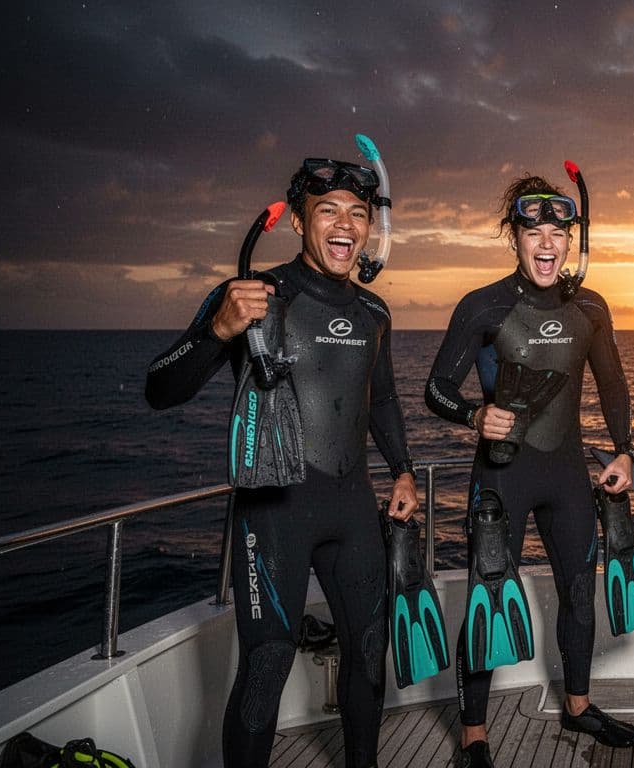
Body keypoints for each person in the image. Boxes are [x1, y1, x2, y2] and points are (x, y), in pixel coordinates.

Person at [145, 157, 419, 767]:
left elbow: (383, 400)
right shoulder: (252, 295)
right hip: (274, 515)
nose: (345, 225)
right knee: (267, 664)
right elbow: (159, 389)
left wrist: (403, 469)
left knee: (369, 653)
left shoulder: (375, 313)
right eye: (328, 211)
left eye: (358, 213)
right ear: (298, 220)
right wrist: (218, 330)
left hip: (354, 510)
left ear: (370, 227)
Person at [424, 174, 634, 767]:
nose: (547, 243)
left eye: (557, 232)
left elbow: (613, 384)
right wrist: (474, 415)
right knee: (489, 597)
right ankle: (473, 735)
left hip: (567, 476)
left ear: (571, 240)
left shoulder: (590, 307)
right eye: (533, 230)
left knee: (579, 591)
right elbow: (436, 388)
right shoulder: (484, 305)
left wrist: (624, 450)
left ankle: (578, 706)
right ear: (513, 236)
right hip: (502, 478)